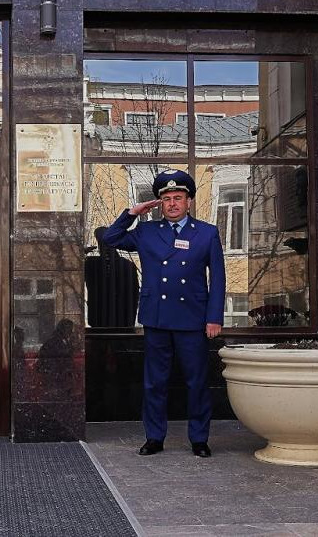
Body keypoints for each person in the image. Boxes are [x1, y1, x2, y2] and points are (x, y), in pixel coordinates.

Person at [102, 169, 225, 459]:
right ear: (159, 203)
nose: (172, 204)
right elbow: (110, 238)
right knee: (154, 382)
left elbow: (218, 278)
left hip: (192, 319)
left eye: (178, 198)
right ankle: (154, 437)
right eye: (166, 199)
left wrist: (214, 317)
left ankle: (199, 439)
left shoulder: (206, 233)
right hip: (157, 317)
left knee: (197, 382)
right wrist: (133, 213)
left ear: (188, 202)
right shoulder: (147, 231)